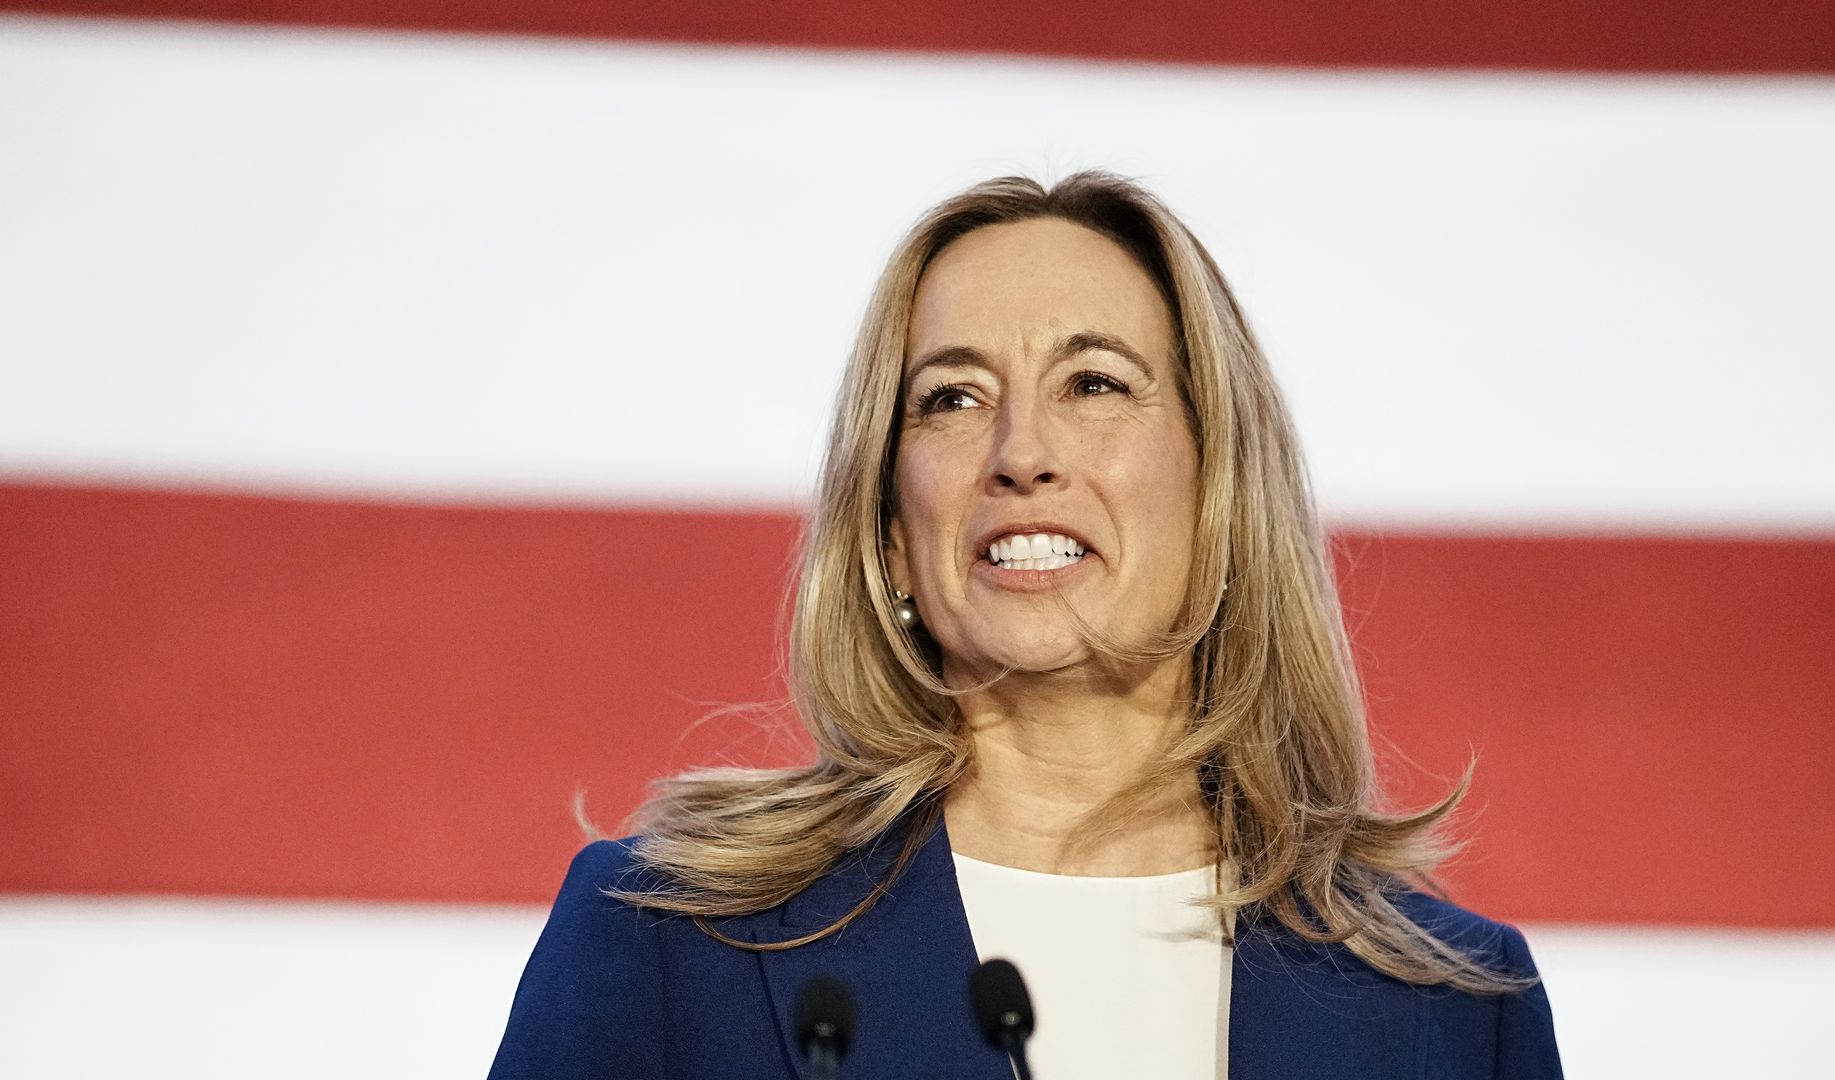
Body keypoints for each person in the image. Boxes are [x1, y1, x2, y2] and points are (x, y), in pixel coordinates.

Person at [488, 171, 1564, 1080]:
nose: (1021, 452)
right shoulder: (672, 940)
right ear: (893, 534)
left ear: (1218, 491)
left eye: (1095, 384)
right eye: (951, 399)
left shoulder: (1456, 1014)